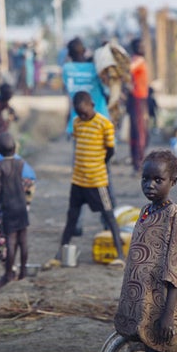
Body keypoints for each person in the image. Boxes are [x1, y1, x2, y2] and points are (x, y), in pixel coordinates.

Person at [114, 149, 177, 352]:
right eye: (145, 179)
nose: (150, 185)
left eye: (158, 180)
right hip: (146, 307)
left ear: (173, 181)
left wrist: (168, 315)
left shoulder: (175, 217)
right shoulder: (147, 211)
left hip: (162, 309)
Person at [45, 91, 125, 268]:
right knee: (71, 217)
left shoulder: (104, 124)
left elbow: (110, 150)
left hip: (97, 181)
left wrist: (99, 164)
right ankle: (60, 254)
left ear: (92, 106)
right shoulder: (76, 123)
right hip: (78, 181)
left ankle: (120, 255)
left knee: (109, 215)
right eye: (79, 113)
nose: (82, 116)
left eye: (85, 112)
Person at [0, 133, 30, 288]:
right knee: (23, 240)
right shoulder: (20, 163)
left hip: (9, 207)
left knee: (11, 242)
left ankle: (8, 275)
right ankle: (23, 271)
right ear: (15, 148)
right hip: (21, 206)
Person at [62, 37, 109, 135]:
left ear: (69, 54)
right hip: (100, 120)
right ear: (84, 51)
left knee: (81, 149)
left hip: (78, 122)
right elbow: (107, 91)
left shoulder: (66, 69)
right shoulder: (96, 69)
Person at [128, 38, 149, 173]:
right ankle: (139, 163)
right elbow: (128, 72)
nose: (142, 48)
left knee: (138, 132)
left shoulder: (137, 60)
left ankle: (138, 162)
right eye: (140, 46)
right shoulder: (138, 60)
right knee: (140, 132)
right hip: (138, 98)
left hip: (140, 98)